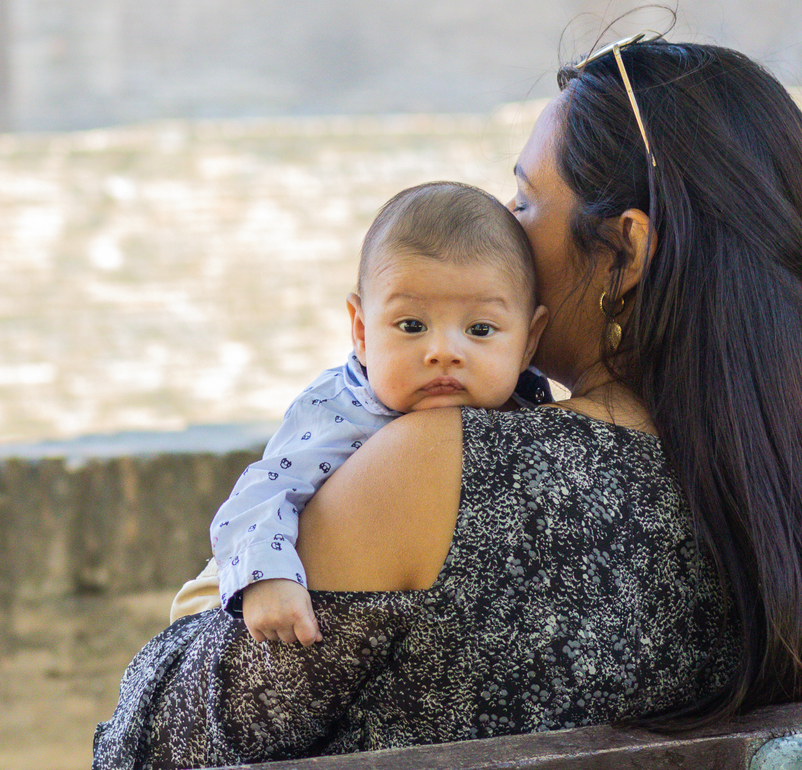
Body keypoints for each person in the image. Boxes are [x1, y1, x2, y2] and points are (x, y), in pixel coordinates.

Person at [92, 38, 802, 770]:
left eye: (525, 200)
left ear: (625, 251)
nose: (503, 230)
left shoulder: (438, 465)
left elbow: (150, 763)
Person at [170, 182, 551, 644]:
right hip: (229, 588)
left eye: (480, 328)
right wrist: (268, 579)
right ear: (362, 332)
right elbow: (261, 492)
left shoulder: (531, 410)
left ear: (529, 340)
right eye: (411, 326)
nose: (443, 352)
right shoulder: (340, 406)